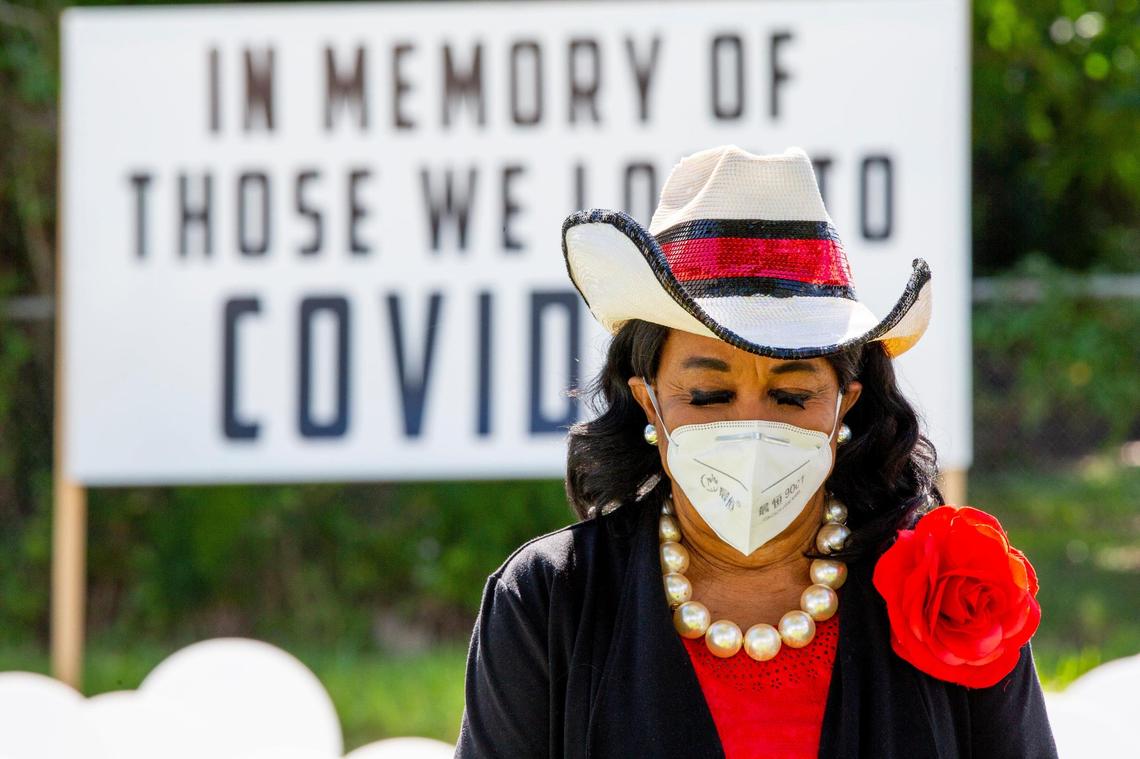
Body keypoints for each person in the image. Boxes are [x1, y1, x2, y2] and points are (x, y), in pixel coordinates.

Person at [455, 145, 1057, 758]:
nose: (752, 423)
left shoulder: (960, 593)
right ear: (649, 403)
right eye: (709, 394)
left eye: (792, 396)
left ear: (843, 405)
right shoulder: (548, 602)